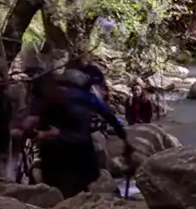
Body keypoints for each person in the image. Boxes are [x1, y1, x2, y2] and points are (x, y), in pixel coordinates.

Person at [16, 68, 131, 198]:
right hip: (76, 152)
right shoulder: (84, 97)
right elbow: (109, 116)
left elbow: (30, 122)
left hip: (57, 154)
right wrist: (124, 138)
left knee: (59, 185)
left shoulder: (45, 97)